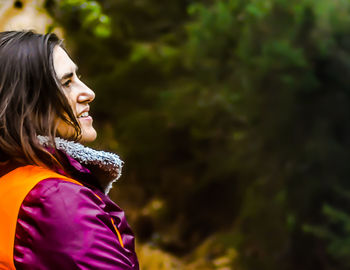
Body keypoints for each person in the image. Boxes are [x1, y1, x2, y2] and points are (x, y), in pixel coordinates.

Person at [0, 30, 139, 269]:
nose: (88, 93)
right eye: (67, 82)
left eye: (78, 77)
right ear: (25, 102)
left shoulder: (12, 184)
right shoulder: (52, 198)